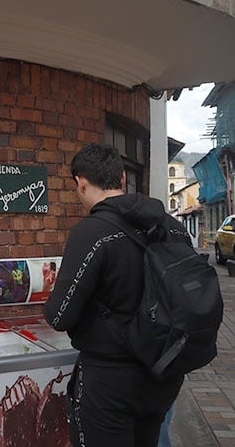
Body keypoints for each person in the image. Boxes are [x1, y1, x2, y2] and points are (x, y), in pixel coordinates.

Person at [44, 143, 187, 447]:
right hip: (164, 374)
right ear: (123, 178)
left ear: (80, 183)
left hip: (110, 380)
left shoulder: (91, 232)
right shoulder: (172, 227)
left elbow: (59, 315)